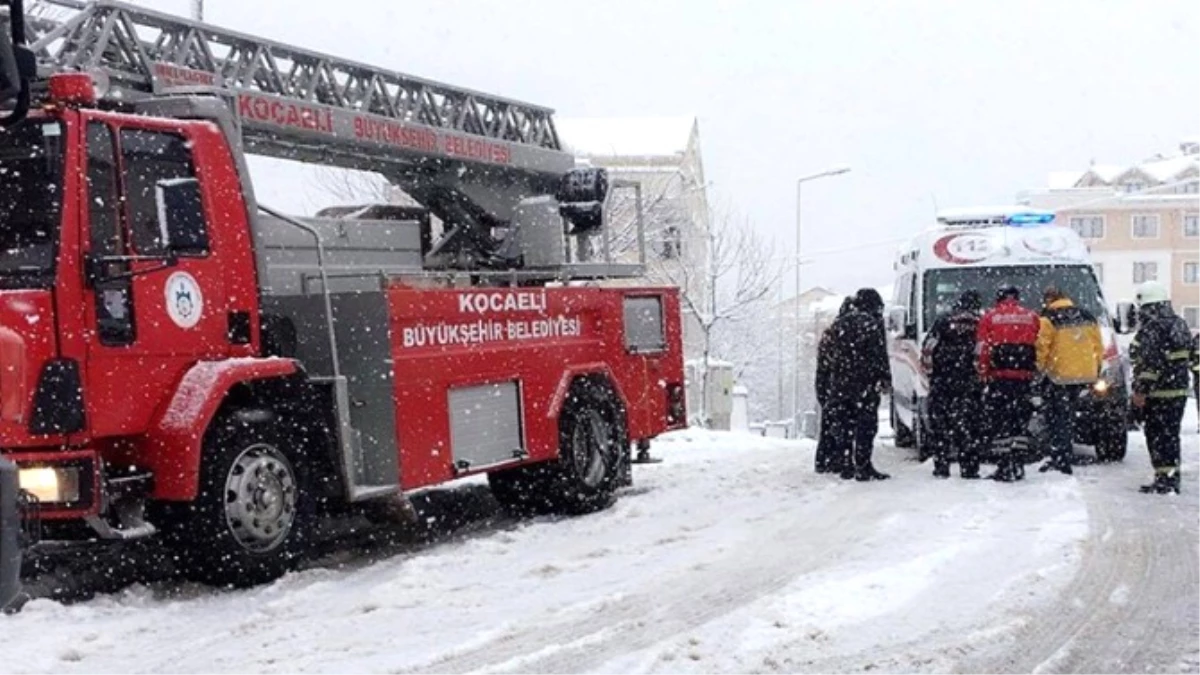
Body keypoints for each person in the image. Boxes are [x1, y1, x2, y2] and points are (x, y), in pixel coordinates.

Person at [823, 288, 892, 481]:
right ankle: (863, 465)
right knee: (866, 426)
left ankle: (846, 464)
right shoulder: (872, 325)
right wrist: (884, 378)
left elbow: (828, 356)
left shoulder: (839, 324)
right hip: (865, 385)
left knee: (844, 424)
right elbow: (879, 355)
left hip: (841, 383)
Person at [1034, 287, 1104, 474]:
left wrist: (1038, 369)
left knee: (1057, 417)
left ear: (1049, 299)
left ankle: (1061, 457)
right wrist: (1096, 368)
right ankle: (1065, 451)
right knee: (1070, 414)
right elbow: (1098, 346)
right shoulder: (1087, 316)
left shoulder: (1048, 317)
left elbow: (1042, 346)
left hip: (1060, 375)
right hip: (1085, 374)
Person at [1130, 280, 1190, 494]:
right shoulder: (1179, 324)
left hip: (1159, 393)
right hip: (1179, 391)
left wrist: (1140, 390)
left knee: (1157, 436)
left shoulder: (1153, 328)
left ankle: (1164, 478)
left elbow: (1150, 363)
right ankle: (1171, 477)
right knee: (1171, 435)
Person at [976, 285, 1041, 482]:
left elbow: (983, 348)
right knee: (1020, 421)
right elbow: (1039, 344)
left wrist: (983, 372)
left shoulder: (990, 317)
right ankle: (1019, 463)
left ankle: (1004, 465)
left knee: (1001, 422)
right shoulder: (1032, 317)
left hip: (1000, 377)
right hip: (1024, 378)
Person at [922, 290, 985, 479]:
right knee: (969, 426)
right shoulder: (979, 323)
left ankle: (941, 466)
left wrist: (930, 372)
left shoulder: (943, 321)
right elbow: (981, 351)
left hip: (942, 380)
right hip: (968, 382)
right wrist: (978, 374)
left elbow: (928, 348)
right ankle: (970, 467)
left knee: (940, 426)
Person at [814, 297, 855, 474]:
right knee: (843, 426)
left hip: (829, 386)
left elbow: (823, 366)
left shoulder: (831, 334)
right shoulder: (846, 335)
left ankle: (824, 460)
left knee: (829, 424)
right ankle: (839, 459)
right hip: (838, 386)